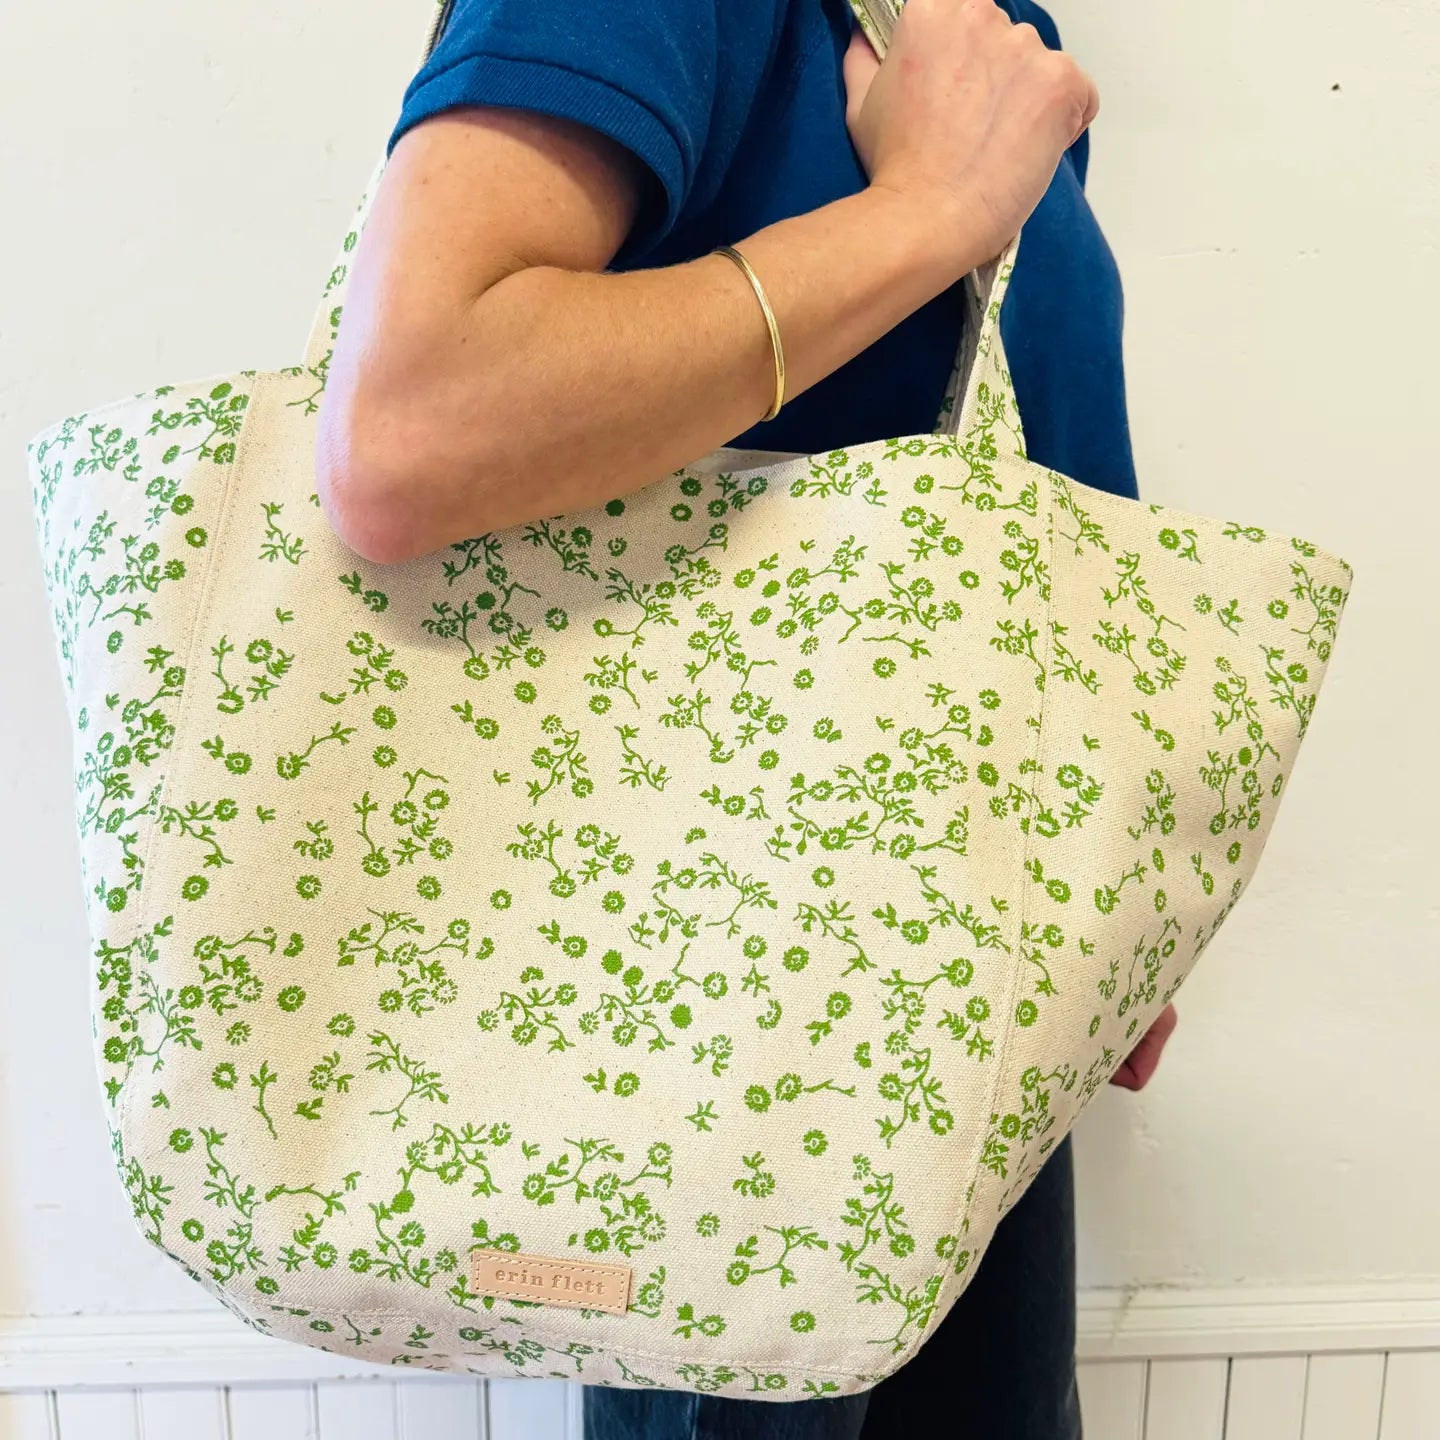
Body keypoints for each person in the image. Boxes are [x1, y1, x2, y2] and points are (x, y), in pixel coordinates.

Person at [314, 0, 1180, 1433]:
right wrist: (929, 208)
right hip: (725, 1025)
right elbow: (408, 435)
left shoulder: (994, 29)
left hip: (969, 1005)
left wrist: (1126, 872)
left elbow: (1023, 498)